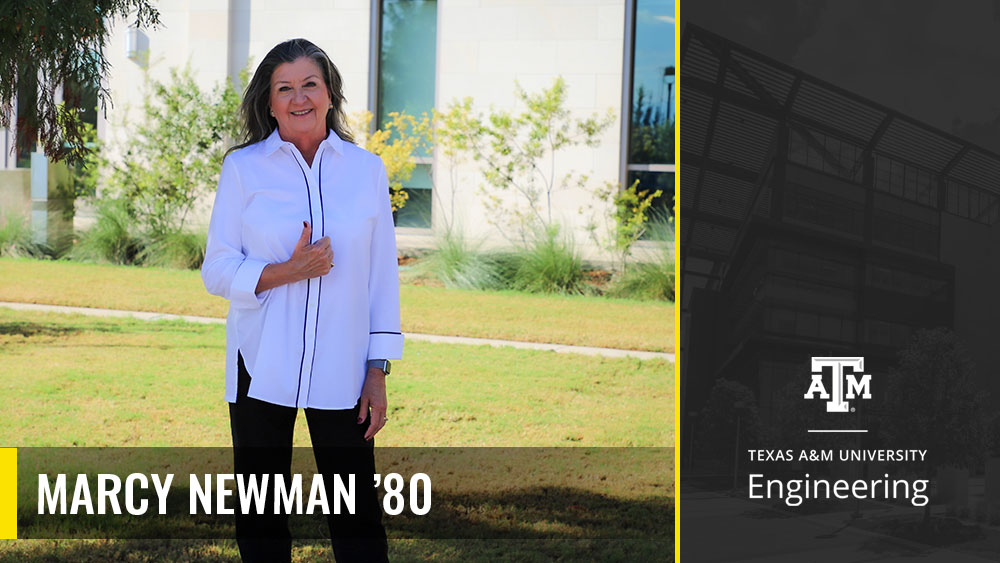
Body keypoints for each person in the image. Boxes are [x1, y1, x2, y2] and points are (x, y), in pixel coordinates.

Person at [201, 38, 402, 563]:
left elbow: (382, 280)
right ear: (268, 103)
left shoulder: (367, 171)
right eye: (284, 88)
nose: (298, 98)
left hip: (343, 365)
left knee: (356, 513)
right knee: (261, 513)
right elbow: (217, 268)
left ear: (330, 93)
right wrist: (288, 271)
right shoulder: (243, 169)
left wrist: (377, 369)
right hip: (259, 361)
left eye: (310, 84)